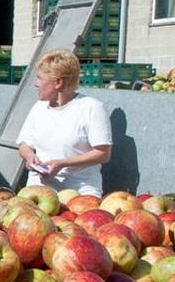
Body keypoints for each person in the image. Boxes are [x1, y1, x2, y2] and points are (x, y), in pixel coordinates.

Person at [16, 49, 113, 197]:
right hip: (38, 191)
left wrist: (63, 163)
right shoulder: (39, 107)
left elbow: (103, 154)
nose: (36, 84)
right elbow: (24, 144)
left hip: (78, 193)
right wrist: (30, 157)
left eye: (40, 78)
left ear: (58, 82)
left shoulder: (91, 108)